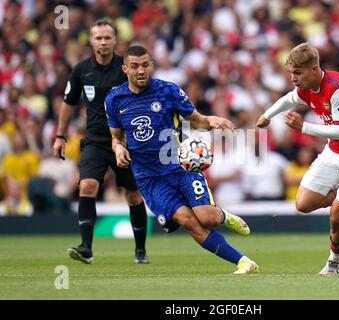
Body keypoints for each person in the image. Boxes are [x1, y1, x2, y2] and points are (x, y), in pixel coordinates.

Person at [105, 45, 259, 274]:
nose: (141, 71)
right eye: (135, 66)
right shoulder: (115, 99)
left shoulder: (168, 90)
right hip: (149, 178)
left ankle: (224, 216)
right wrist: (118, 149)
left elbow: (195, 119)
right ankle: (244, 262)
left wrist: (211, 121)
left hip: (181, 166)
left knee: (207, 217)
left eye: (145, 65)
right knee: (187, 220)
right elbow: (116, 137)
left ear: (152, 66)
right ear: (125, 68)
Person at [257, 43, 339, 275]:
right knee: (303, 204)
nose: (294, 78)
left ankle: (336, 262)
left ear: (314, 69)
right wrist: (267, 116)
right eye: (291, 73)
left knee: (337, 216)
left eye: (298, 73)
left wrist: (303, 127)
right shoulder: (306, 86)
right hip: (335, 150)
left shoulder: (338, 88)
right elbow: (288, 99)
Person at [52, 19, 149, 264]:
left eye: (107, 37)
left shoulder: (126, 69)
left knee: (133, 196)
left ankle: (140, 250)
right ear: (91, 41)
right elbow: (68, 103)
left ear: (115, 40)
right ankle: (86, 247)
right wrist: (60, 136)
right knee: (86, 187)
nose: (103, 42)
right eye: (98, 38)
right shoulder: (81, 70)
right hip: (94, 140)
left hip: (124, 142)